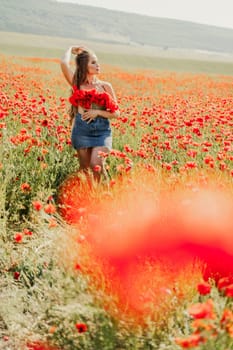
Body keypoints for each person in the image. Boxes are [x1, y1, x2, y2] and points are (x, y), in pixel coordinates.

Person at [60, 46, 120, 181]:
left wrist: (97, 112)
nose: (98, 65)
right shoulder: (77, 83)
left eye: (97, 62)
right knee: (85, 169)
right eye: (93, 62)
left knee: (96, 164)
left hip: (102, 131)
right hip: (82, 130)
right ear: (83, 66)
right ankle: (92, 194)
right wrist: (70, 49)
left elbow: (117, 113)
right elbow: (64, 63)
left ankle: (100, 194)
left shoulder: (105, 86)